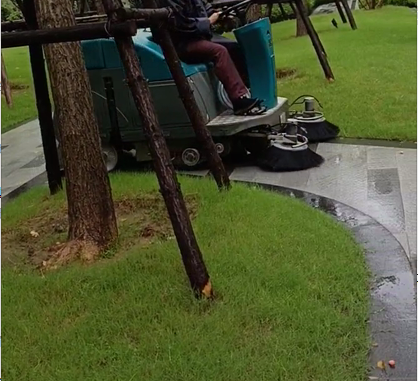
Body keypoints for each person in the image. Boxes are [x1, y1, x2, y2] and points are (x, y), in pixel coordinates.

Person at [163, 0, 265, 116]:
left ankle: (246, 90)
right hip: (182, 43)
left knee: (234, 47)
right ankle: (239, 101)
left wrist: (218, 14)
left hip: (197, 37)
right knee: (219, 51)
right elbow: (182, 24)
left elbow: (203, 8)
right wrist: (209, 21)